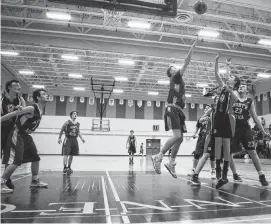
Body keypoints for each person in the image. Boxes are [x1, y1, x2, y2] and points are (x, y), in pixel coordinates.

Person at [151, 40, 198, 178]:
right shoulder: (176, 77)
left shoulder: (178, 82)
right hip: (172, 109)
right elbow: (186, 62)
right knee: (177, 136)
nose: (175, 68)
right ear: (171, 72)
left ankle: (171, 162)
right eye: (172, 67)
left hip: (179, 110)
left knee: (180, 139)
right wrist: (192, 49)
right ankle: (158, 157)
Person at [1, 89, 48, 194]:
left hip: (26, 136)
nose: (47, 95)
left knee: (35, 158)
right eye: (44, 94)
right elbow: (13, 114)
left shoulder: (41, 109)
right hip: (17, 134)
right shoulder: (32, 108)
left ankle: (35, 181)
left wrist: (22, 103)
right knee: (16, 161)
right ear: (38, 97)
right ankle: (1, 183)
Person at [228, 84, 270, 186]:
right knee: (229, 154)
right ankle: (234, 174)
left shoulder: (249, 102)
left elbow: (255, 117)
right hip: (233, 130)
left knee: (252, 152)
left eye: (244, 86)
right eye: (240, 86)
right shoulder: (233, 99)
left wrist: (263, 131)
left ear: (247, 91)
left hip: (246, 130)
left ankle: (261, 175)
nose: (241, 87)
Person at [213, 53, 240, 189]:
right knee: (218, 142)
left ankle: (225, 174)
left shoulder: (233, 92)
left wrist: (228, 67)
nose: (229, 78)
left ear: (235, 82)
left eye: (232, 78)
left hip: (228, 118)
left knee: (226, 145)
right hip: (218, 116)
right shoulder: (224, 87)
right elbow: (217, 74)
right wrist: (217, 60)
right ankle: (218, 169)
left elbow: (237, 100)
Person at [1, 80, 26, 189]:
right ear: (9, 87)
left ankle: (6, 179)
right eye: (15, 85)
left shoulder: (20, 100)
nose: (18, 87)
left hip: (12, 131)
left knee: (10, 156)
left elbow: (24, 113)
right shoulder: (2, 99)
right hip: (1, 129)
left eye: (19, 85)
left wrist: (21, 109)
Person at [188, 105, 215, 178]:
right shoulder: (201, 118)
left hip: (210, 138)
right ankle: (193, 169)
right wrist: (195, 133)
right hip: (201, 137)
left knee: (212, 155)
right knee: (197, 153)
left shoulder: (213, 118)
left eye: (208, 108)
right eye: (205, 108)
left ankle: (213, 171)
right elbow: (198, 125)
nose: (206, 109)